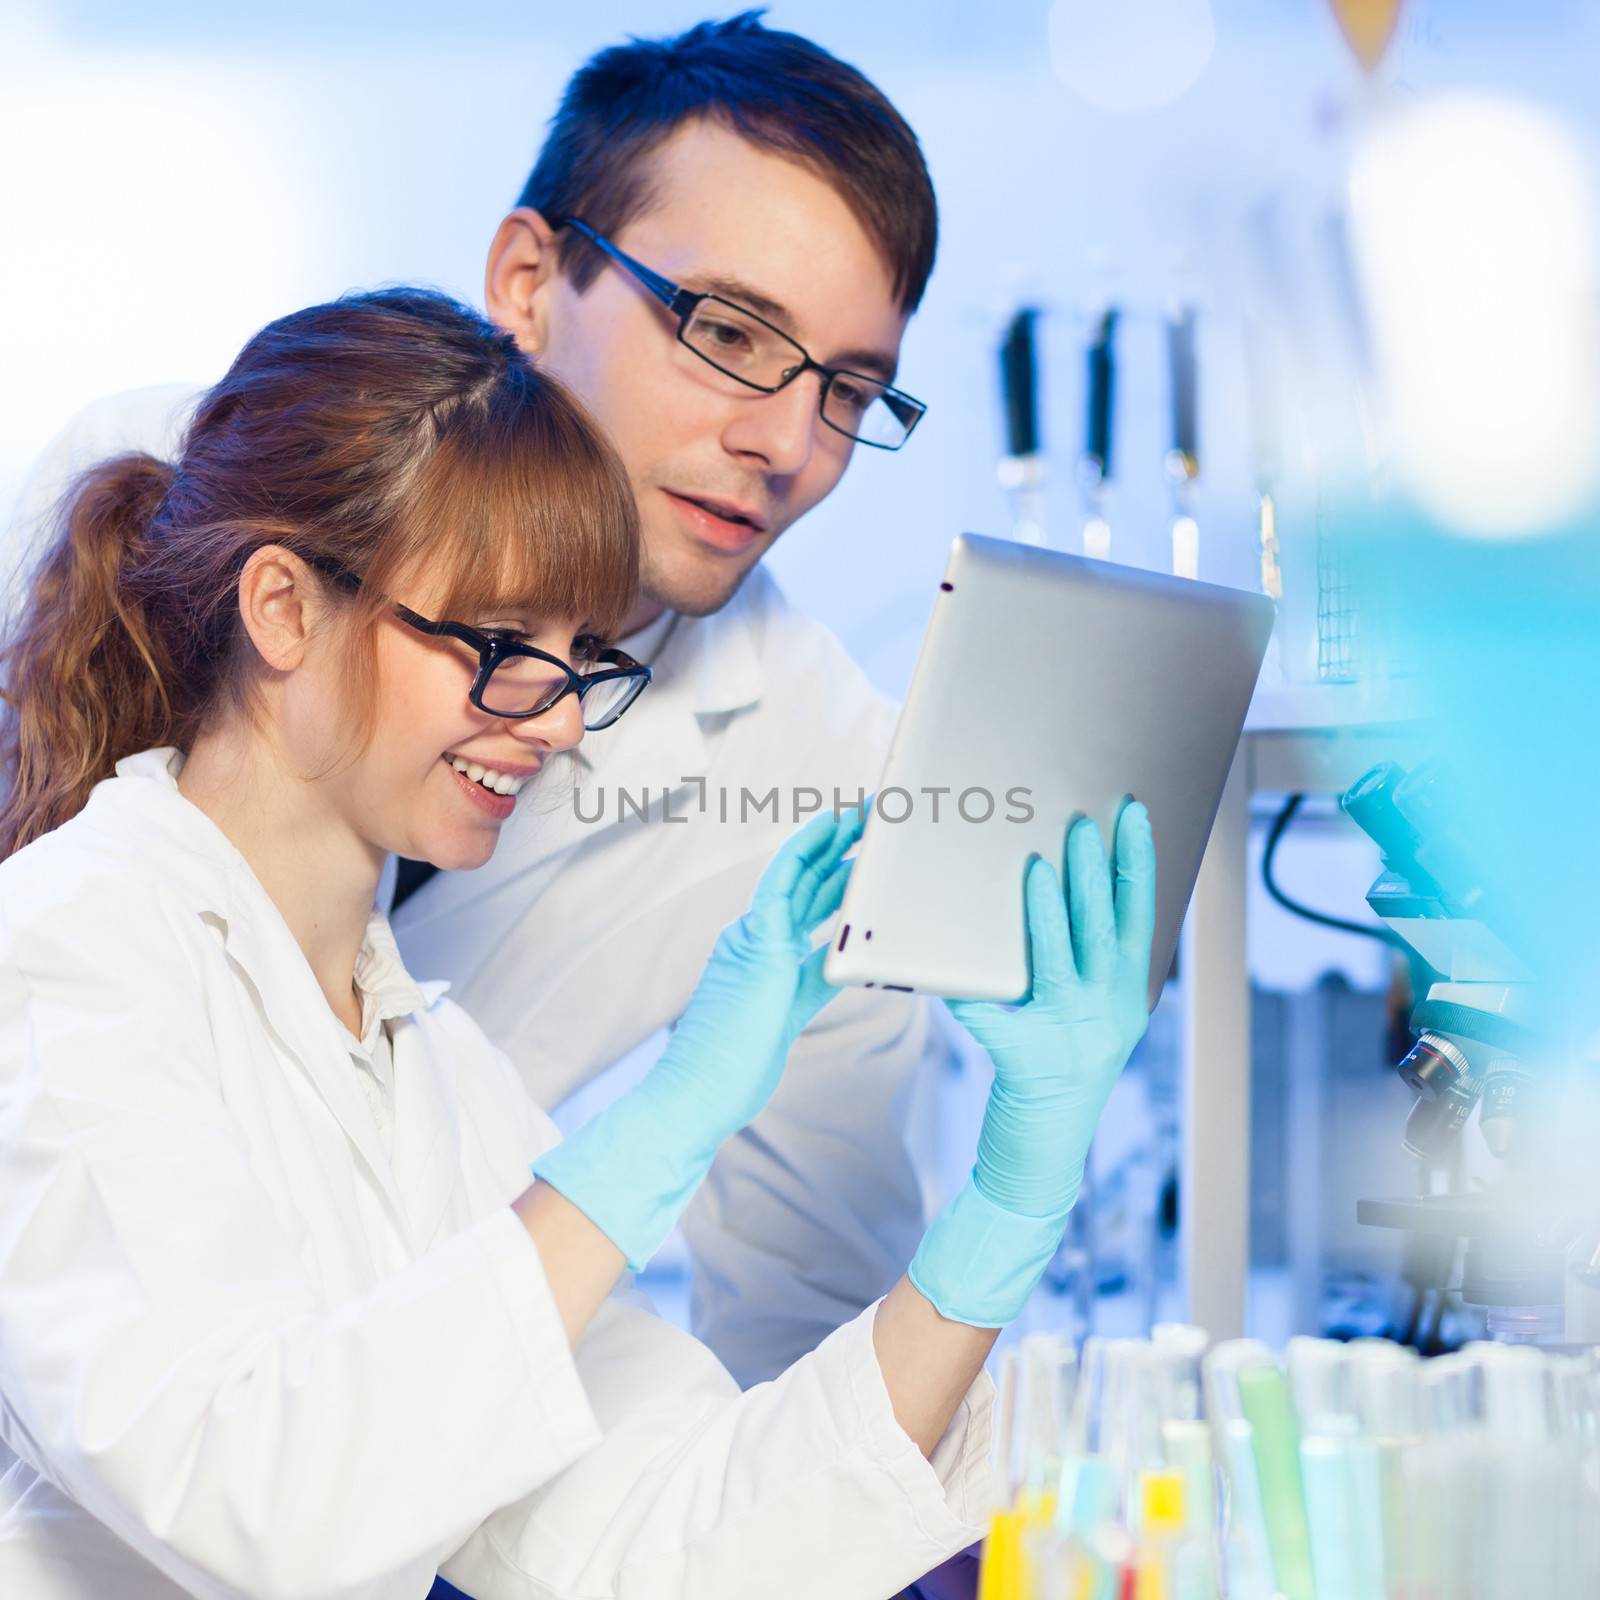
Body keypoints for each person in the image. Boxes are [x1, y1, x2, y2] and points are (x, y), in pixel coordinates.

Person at [0, 288, 1155, 1597]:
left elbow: (674, 1537)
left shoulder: (425, 1064)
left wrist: (1007, 1208)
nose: (554, 724)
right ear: (283, 609)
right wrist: (660, 1133)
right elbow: (260, 1505)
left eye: (579, 657)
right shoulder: (68, 951)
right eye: (500, 647)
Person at [1, 15, 964, 1388]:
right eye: (731, 332)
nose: (788, 446)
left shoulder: (830, 769)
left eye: (851, 389)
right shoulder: (160, 490)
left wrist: (1005, 1218)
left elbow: (805, 1329)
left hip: (395, 1449)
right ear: (528, 277)